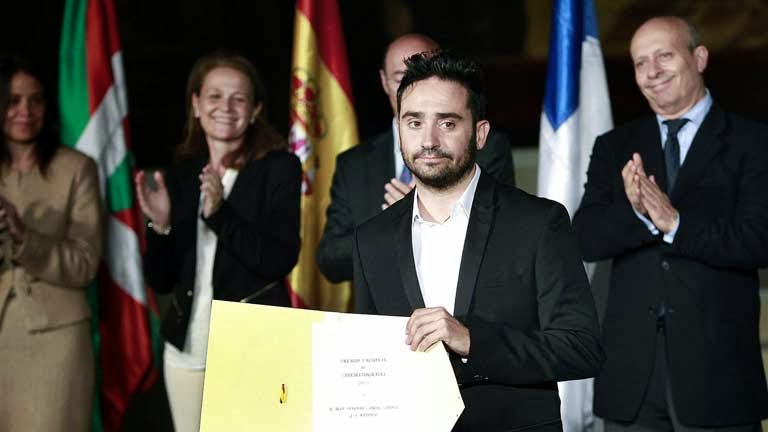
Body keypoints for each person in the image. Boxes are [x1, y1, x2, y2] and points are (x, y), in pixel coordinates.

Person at [353, 50, 603, 431]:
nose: (429, 140)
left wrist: (472, 341)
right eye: (414, 122)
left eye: (447, 123)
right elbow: (369, 359)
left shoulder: (538, 223)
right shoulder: (371, 239)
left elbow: (581, 347)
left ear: (480, 133)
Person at [574, 17, 768, 431]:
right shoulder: (615, 146)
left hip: (718, 378)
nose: (652, 71)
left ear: (699, 58)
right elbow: (584, 238)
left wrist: (676, 224)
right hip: (631, 383)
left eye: (664, 55)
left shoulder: (753, 142)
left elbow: (759, 239)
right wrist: (639, 216)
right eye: (640, 62)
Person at [135, 52, 301, 432]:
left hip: (256, 345)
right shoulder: (180, 174)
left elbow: (278, 259)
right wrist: (160, 226)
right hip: (186, 347)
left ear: (255, 110)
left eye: (238, 98)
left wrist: (219, 213)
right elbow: (161, 280)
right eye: (214, 96)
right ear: (196, 104)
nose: (225, 107)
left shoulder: (279, 168)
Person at [316, 33, 516, 283]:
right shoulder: (354, 164)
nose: (416, 87)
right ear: (384, 81)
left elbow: (506, 240)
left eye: (424, 73)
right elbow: (331, 260)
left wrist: (432, 215)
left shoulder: (484, 146)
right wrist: (391, 224)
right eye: (402, 77)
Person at [0, 55, 103, 431]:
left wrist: (25, 237)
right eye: (13, 101)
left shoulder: (76, 168)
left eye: (36, 100)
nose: (25, 111)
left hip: (57, 338)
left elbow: (85, 263)